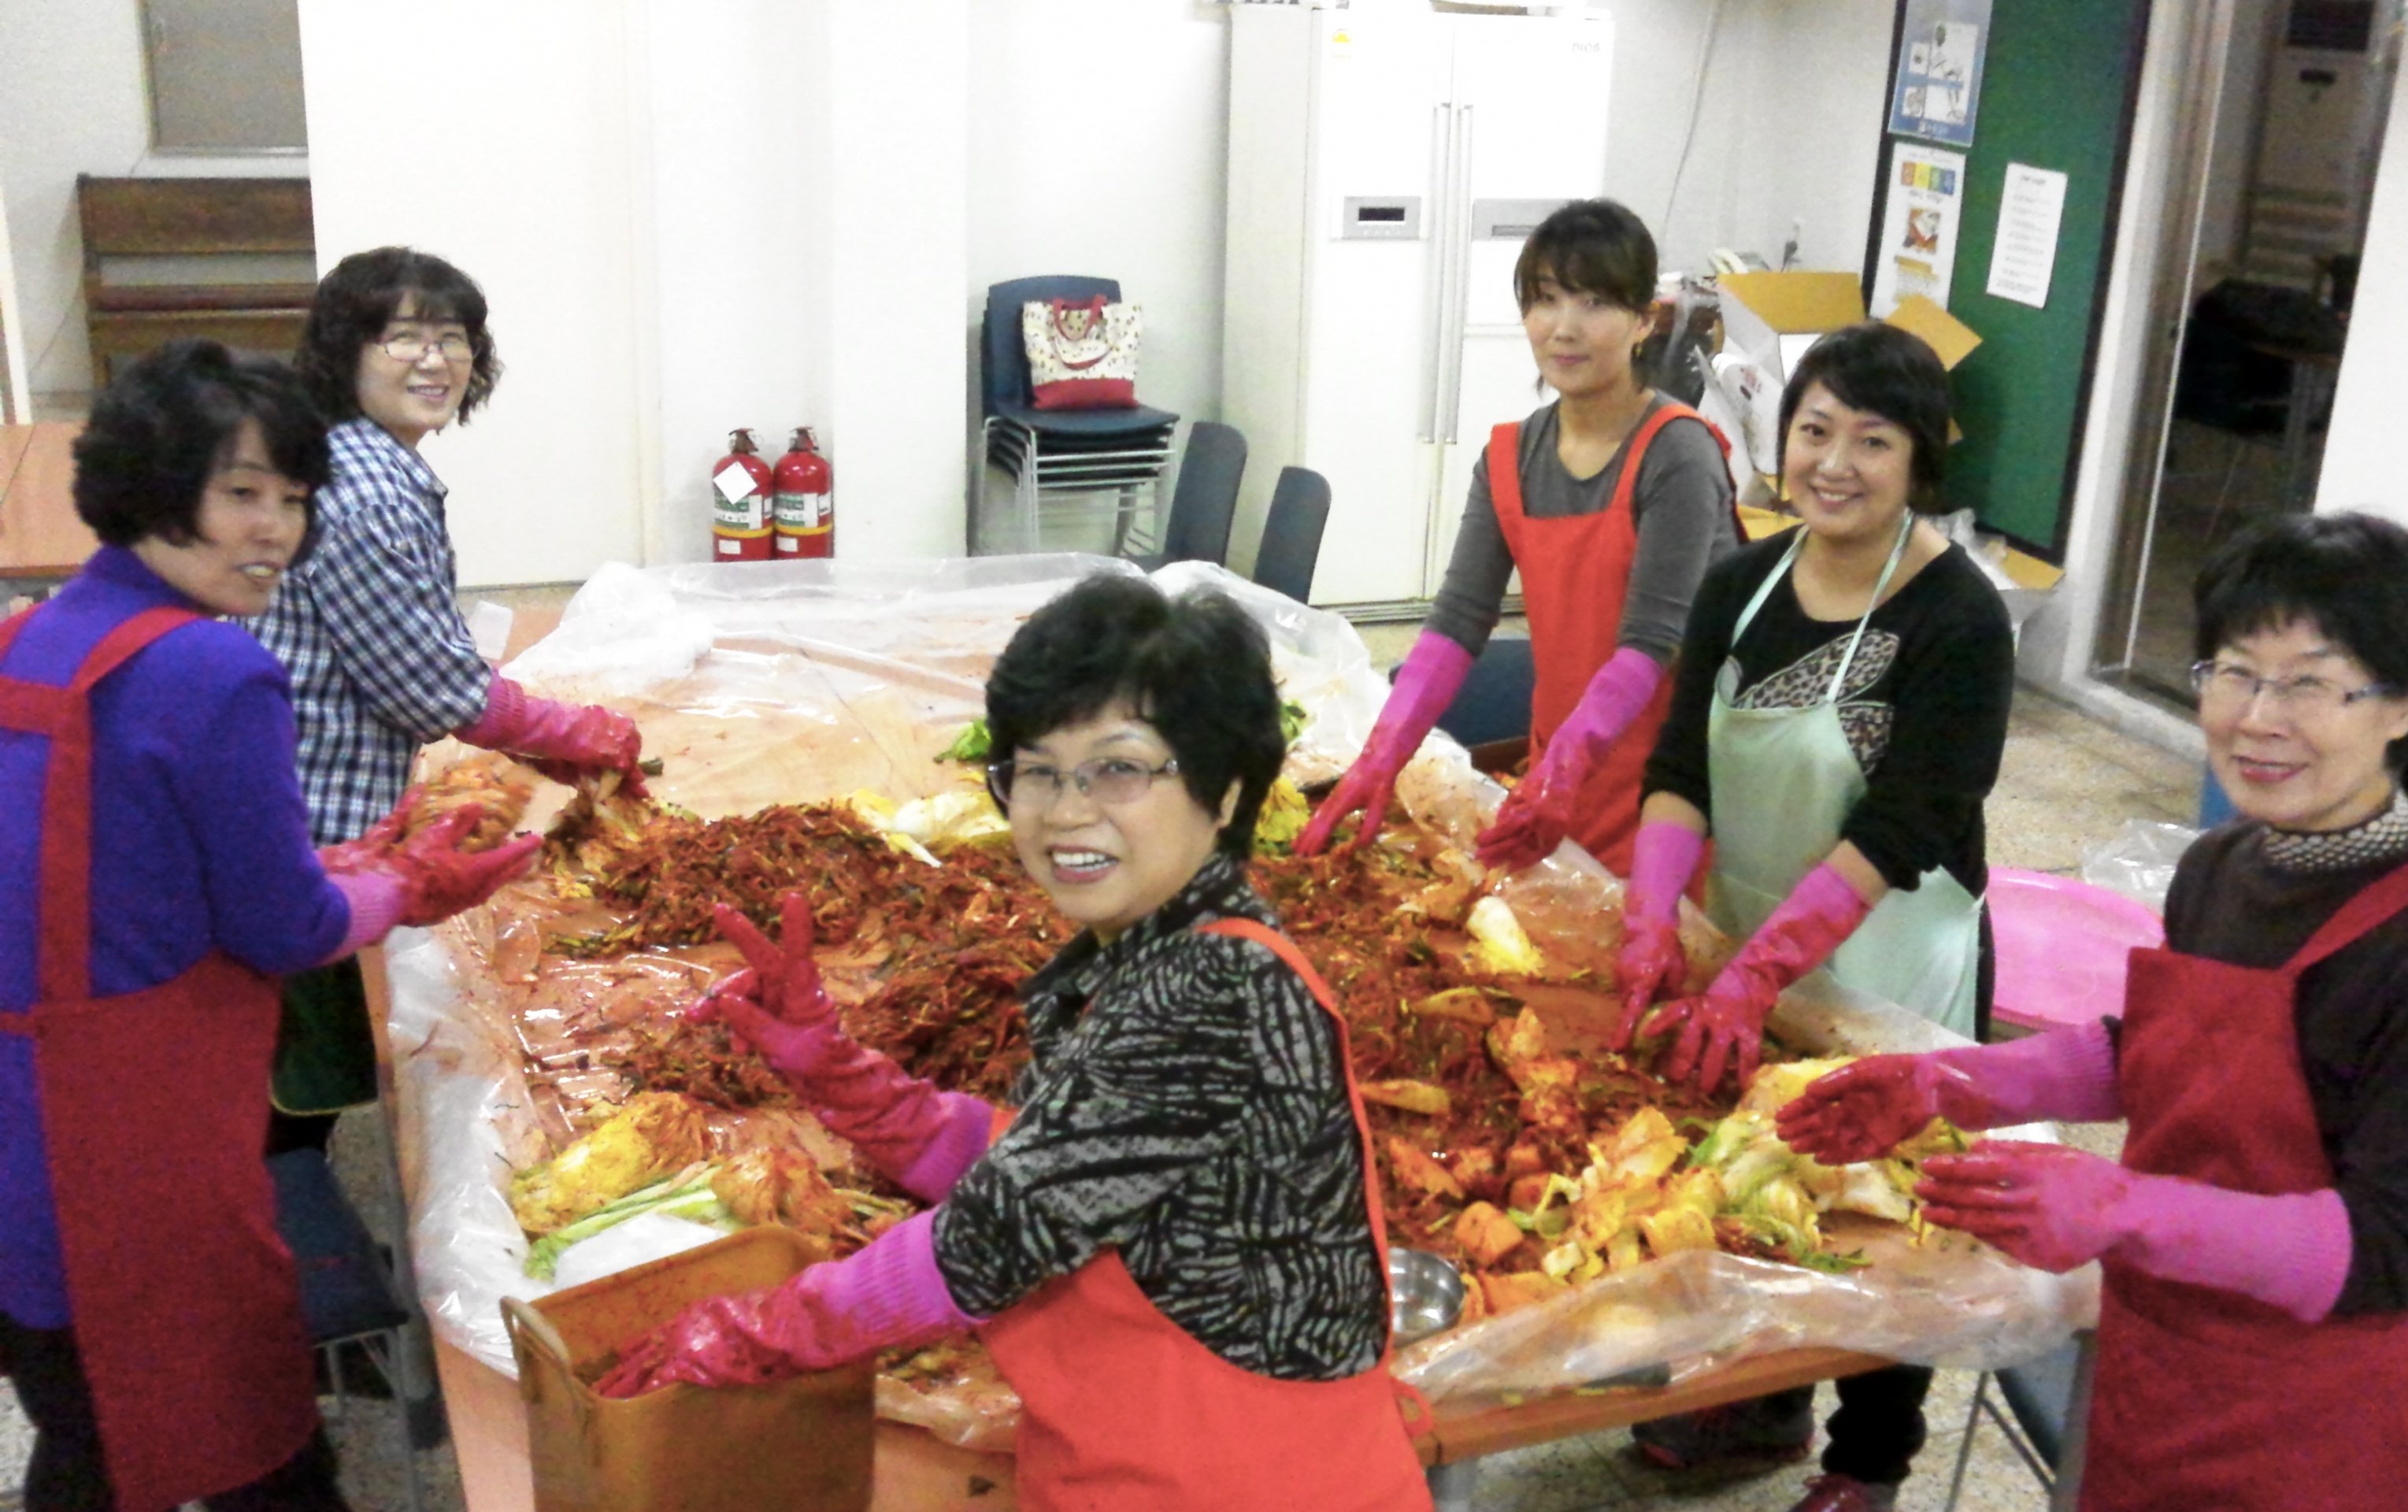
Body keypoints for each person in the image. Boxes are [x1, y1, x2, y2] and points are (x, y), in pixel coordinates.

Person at [596, 574, 1432, 1510]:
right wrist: (843, 1078)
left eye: (1118, 770)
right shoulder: (1160, 953)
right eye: (1035, 771)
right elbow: (1037, 1162)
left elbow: (987, 1241)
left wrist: (758, 1332)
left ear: (1224, 787)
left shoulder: (1215, 996)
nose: (1064, 812)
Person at [1778, 512, 2408, 1512]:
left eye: (2309, 684)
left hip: (2323, 1424)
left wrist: (2120, 1208)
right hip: (2161, 1366)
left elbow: (2391, 1249)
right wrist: (1947, 1082)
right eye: (2233, 672)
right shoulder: (2219, 865)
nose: (2257, 718)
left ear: (2405, 705)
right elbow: (2159, 1051)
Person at [0, 340, 537, 1512]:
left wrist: (347, 858)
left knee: (85, 1428)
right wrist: (413, 886)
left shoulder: (35, 634)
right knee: (246, 1450)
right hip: (127, 1153)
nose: (276, 531)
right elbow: (287, 930)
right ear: (152, 485)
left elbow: (131, 868)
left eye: (294, 499)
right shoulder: (212, 668)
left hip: (20, 1134)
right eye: (241, 492)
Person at [1619, 322, 2015, 1510]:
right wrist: (1649, 917)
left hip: (1888, 948)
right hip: (1749, 919)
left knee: (1886, 1207)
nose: (1834, 463)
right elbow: (1678, 767)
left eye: (1872, 440)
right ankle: (1763, 1398)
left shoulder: (1958, 618)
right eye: (1814, 430)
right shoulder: (1740, 586)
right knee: (1754, 1174)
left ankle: (1868, 1459)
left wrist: (1758, 976)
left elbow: (1906, 823)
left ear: (1921, 461)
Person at [248, 246, 645, 1153]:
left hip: (308, 797)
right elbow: (431, 686)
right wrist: (574, 732)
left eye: (453, 339)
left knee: (296, 1051)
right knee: (284, 1075)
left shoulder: (367, 462)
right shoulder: (360, 486)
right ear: (345, 353)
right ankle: (289, 1214)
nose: (434, 360)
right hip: (299, 811)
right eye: (403, 338)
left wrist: (548, 739)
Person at [1295, 198, 1739, 876]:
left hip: (1670, 793)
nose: (1565, 328)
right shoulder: (1509, 457)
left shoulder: (1677, 452)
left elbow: (1651, 642)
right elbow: (1457, 623)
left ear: (1644, 321)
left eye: (1595, 302)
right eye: (1545, 300)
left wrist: (1566, 766)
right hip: (1555, 774)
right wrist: (1382, 757)